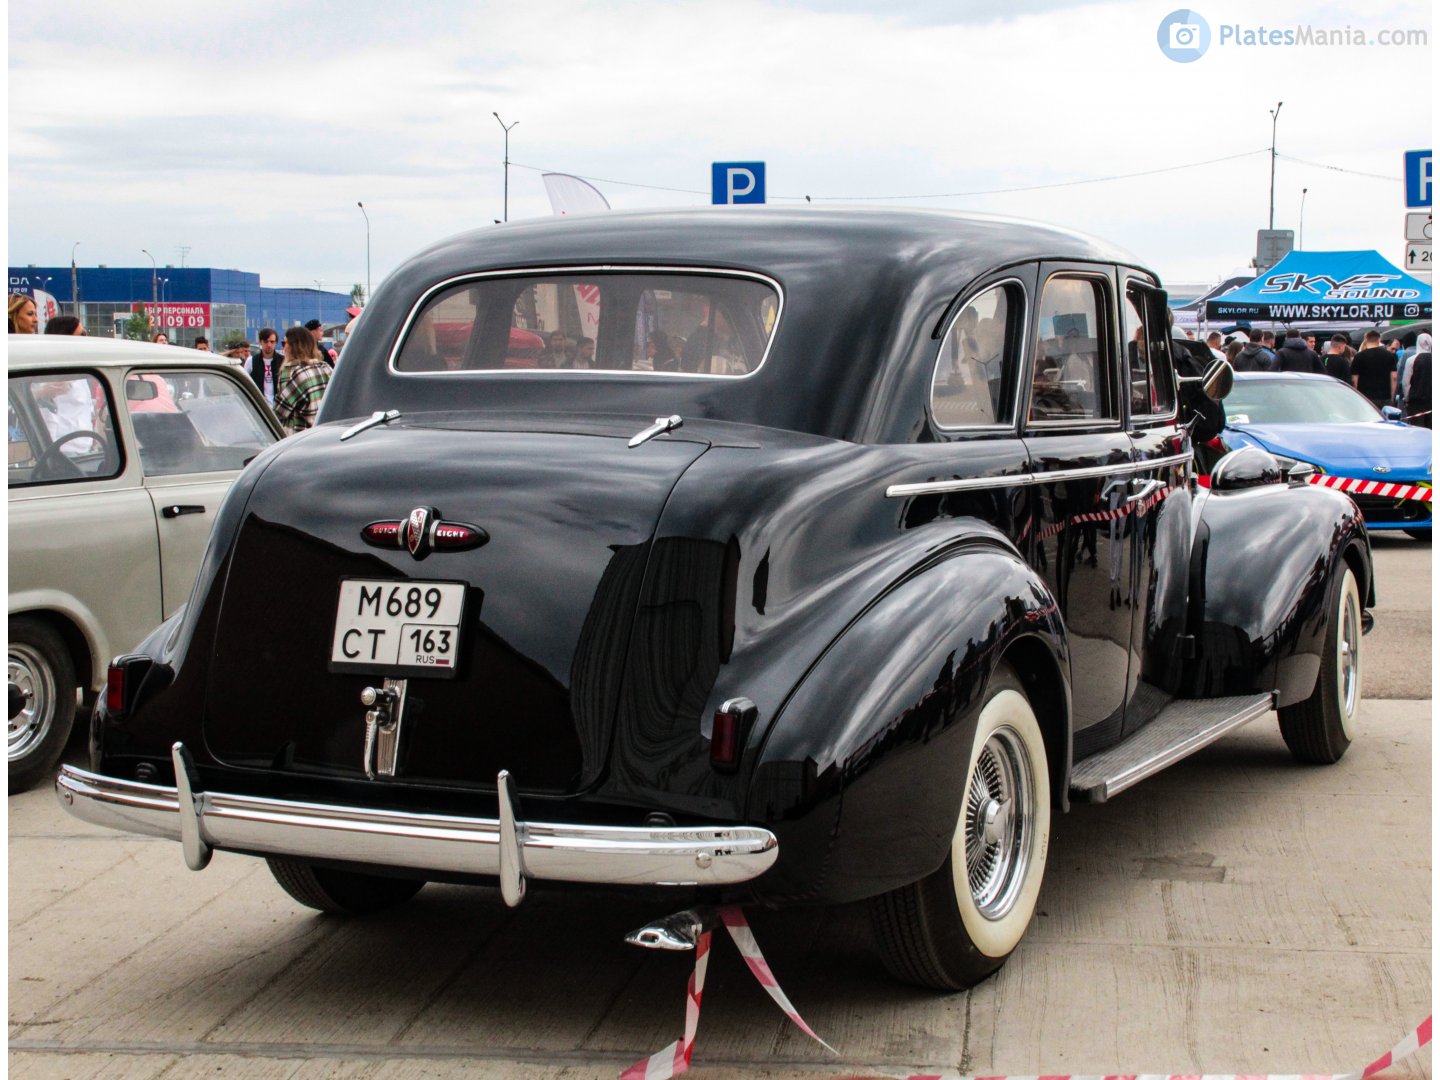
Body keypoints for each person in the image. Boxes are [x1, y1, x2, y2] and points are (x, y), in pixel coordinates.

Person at [274, 326, 333, 435]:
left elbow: (280, 411)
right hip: (323, 432)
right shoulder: (326, 368)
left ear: (294, 346)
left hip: (298, 436)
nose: (284, 347)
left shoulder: (292, 372)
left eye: (285, 343)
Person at [1351, 330, 1397, 405]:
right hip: (1384, 396)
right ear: (1379, 340)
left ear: (1366, 339)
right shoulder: (1389, 355)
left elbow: (1354, 379)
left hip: (1365, 397)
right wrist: (1392, 397)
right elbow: (1394, 377)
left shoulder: (1359, 357)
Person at [246, 328, 283, 406]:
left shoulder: (283, 361)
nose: (269, 345)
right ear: (260, 342)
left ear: (276, 343)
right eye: (266, 341)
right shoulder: (251, 361)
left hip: (278, 406)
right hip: (259, 406)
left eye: (272, 342)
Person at [1404, 333, 1431, 428]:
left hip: (1416, 402)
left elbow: (1406, 383)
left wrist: (1407, 398)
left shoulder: (1411, 360)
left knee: (1417, 428)